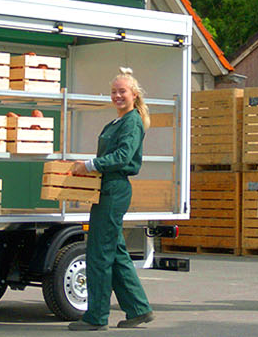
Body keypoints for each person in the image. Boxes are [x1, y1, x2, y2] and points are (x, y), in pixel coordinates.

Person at [67, 67, 155, 331]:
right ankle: (138, 309)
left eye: (122, 91)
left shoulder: (132, 122)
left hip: (114, 189)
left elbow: (123, 157)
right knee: (115, 252)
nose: (117, 96)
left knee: (99, 254)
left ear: (134, 94)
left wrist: (89, 165)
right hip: (106, 188)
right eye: (114, 91)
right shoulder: (118, 122)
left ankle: (96, 317)